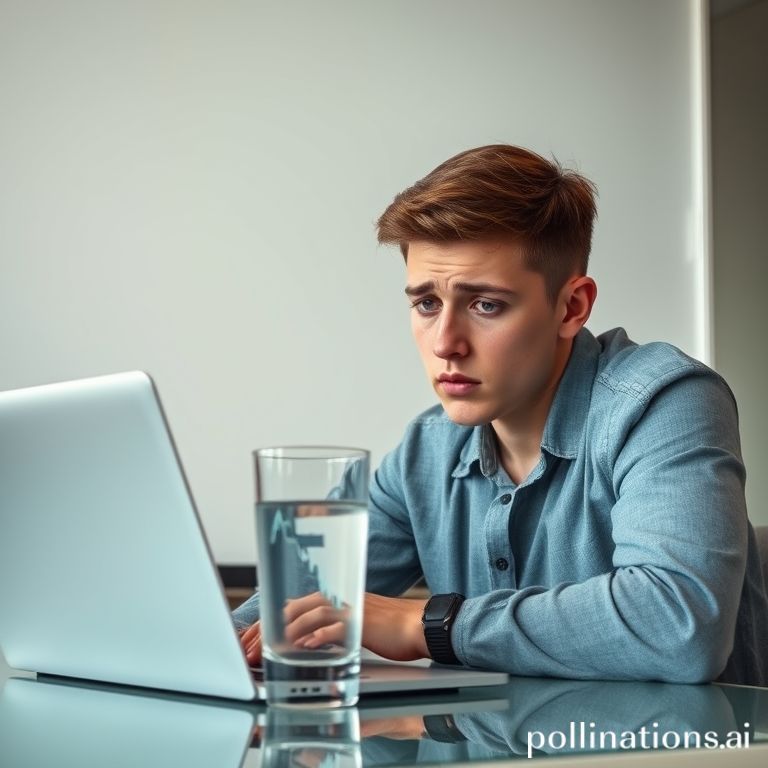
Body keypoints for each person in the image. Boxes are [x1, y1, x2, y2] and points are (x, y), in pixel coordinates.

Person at [235, 144, 768, 685]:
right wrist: (220, 642)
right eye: (425, 303)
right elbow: (297, 602)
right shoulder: (427, 450)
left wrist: (429, 625)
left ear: (571, 307)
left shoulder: (664, 403)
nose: (446, 343)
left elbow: (680, 627)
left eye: (485, 304)